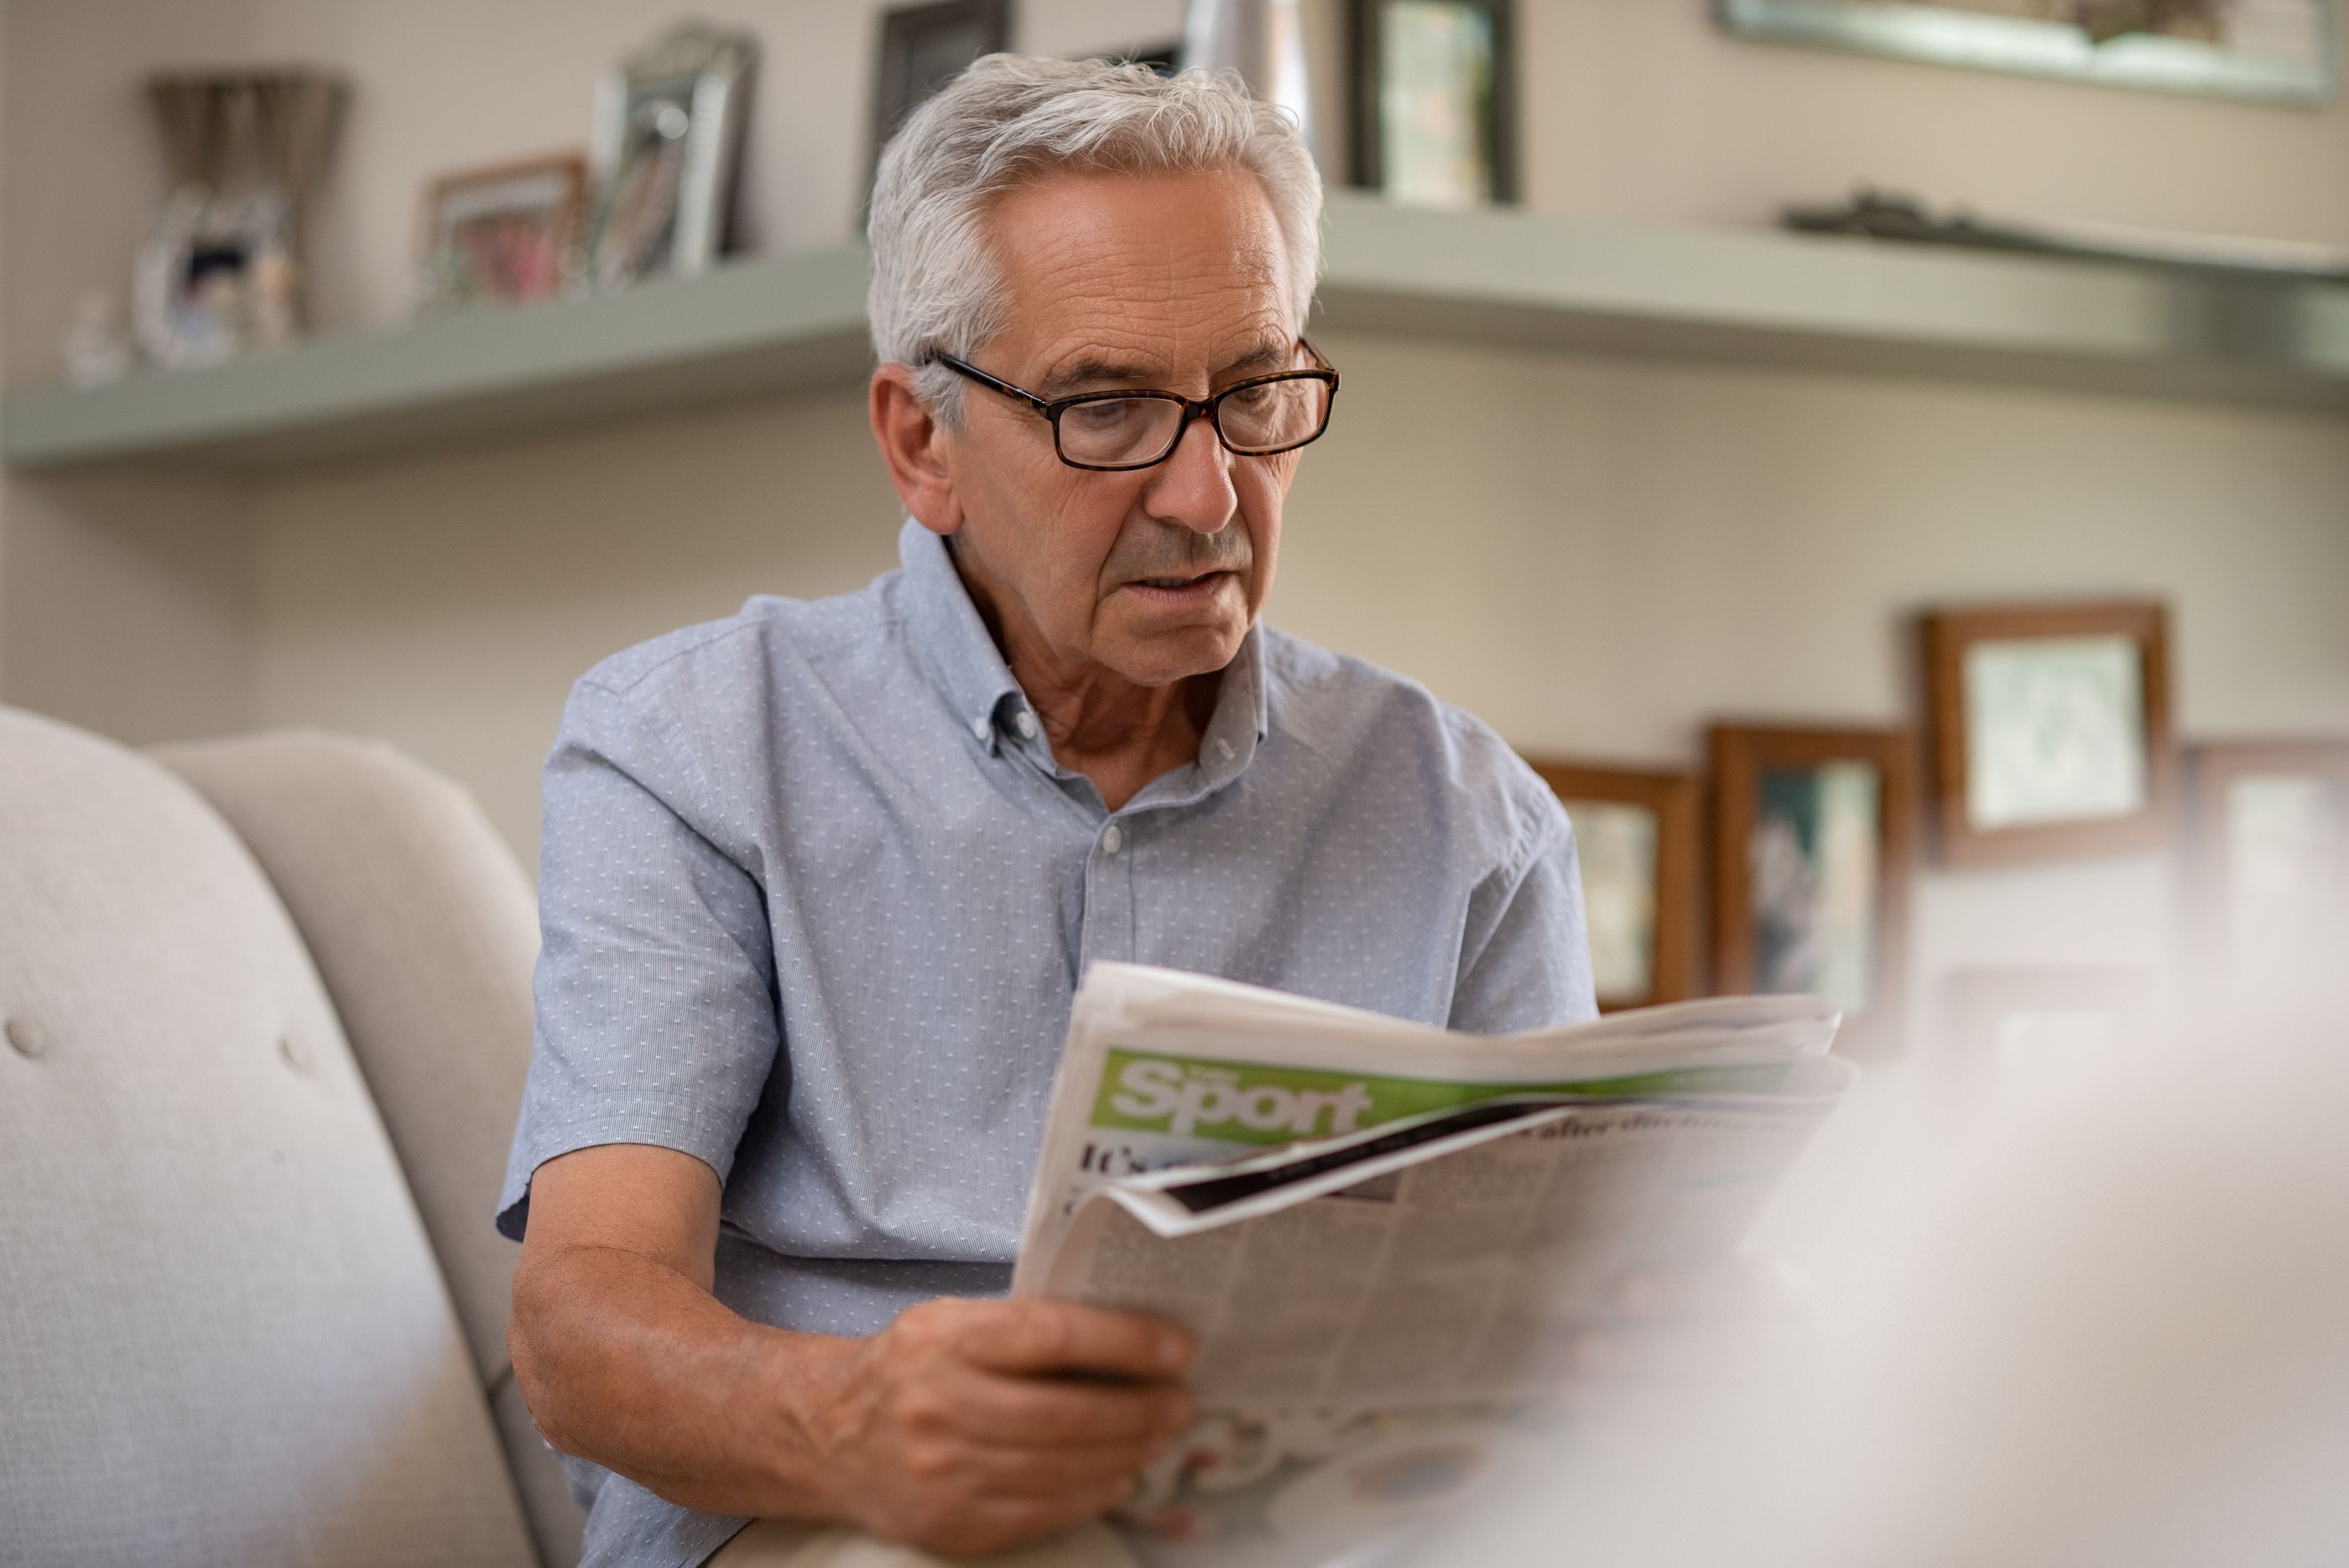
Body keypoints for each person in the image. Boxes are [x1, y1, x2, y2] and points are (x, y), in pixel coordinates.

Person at [498, 55, 1595, 1568]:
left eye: (1255, 393)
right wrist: (865, 1418)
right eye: (1109, 409)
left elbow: (1534, 1329)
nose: (1210, 495)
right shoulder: (692, 747)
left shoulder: (1473, 817)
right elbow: (582, 1326)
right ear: (921, 442)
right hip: (829, 1517)